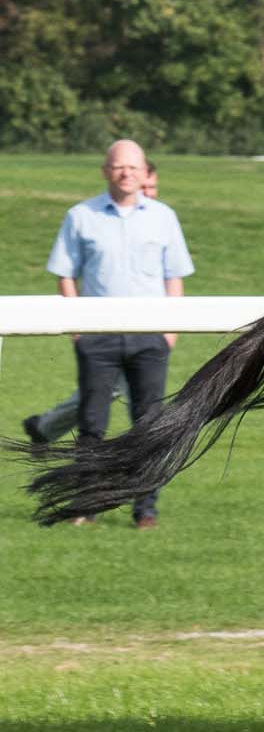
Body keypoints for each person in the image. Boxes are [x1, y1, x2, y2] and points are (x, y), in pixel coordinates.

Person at [45, 141, 193, 528]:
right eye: (118, 166)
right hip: (98, 337)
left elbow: (173, 276)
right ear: (105, 171)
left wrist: (169, 331)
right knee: (93, 424)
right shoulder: (81, 216)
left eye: (133, 167)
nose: (126, 172)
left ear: (146, 173)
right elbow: (65, 273)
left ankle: (145, 510)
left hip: (149, 338)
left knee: (150, 424)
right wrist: (79, 328)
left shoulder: (163, 217)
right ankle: (87, 505)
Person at [25, 165, 162, 447]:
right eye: (145, 188)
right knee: (115, 396)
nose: (149, 194)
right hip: (106, 330)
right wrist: (79, 325)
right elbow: (70, 271)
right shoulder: (95, 219)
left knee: (107, 391)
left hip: (145, 332)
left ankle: (44, 429)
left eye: (153, 189)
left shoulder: (158, 223)